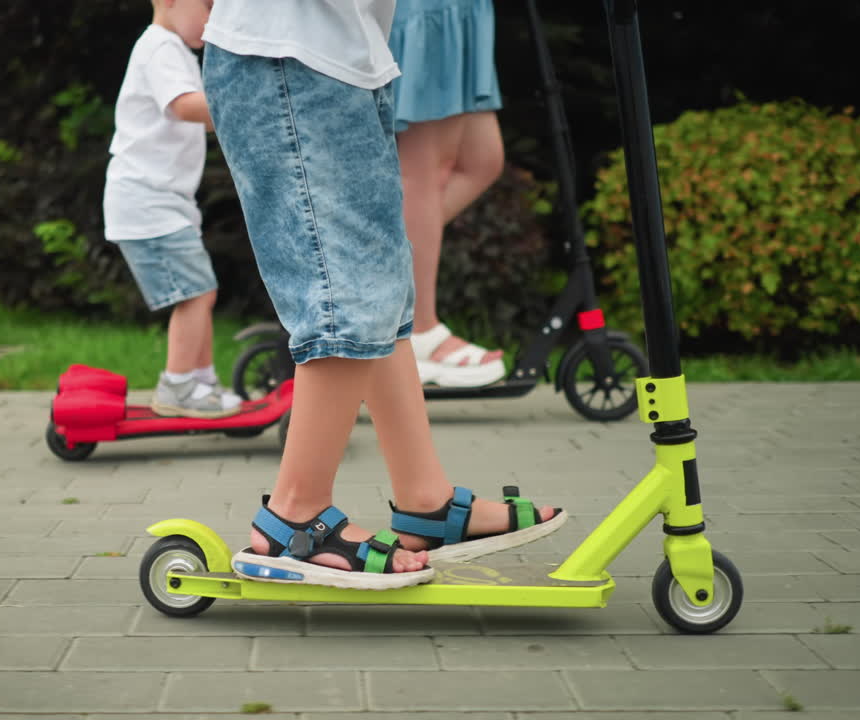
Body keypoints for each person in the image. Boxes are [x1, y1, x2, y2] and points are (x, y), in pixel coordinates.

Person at [202, 0, 565, 590]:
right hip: (290, 58)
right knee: (345, 297)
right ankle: (294, 516)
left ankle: (426, 501)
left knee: (385, 289)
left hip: (346, 59)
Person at [103, 0, 242, 419]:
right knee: (196, 294)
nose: (214, 17)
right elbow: (185, 106)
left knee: (201, 292)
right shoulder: (160, 47)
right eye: (208, 5)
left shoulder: (173, 49)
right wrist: (244, 107)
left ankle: (201, 382)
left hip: (164, 203)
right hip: (147, 203)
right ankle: (177, 386)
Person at [390, 0, 509, 388]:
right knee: (425, 173)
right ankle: (418, 331)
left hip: (460, 11)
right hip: (426, 11)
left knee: (482, 161)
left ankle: (364, 262)